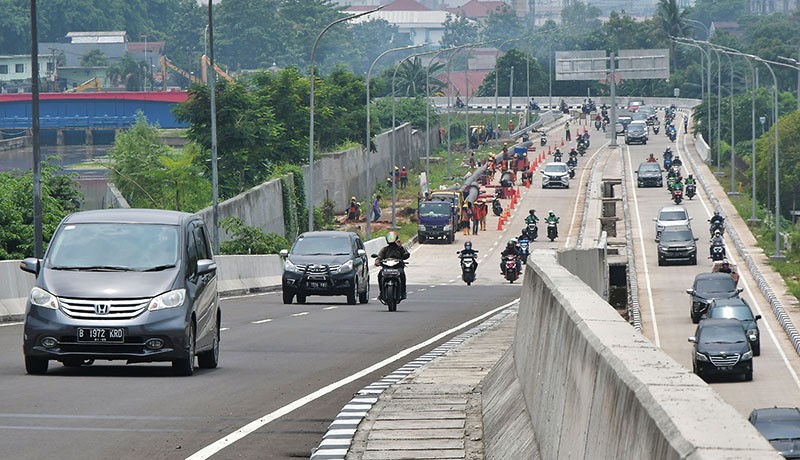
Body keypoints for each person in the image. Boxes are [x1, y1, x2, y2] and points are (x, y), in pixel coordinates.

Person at [375, 231, 410, 299]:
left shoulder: (400, 249)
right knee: (380, 275)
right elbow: (379, 257)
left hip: (397, 268)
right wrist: (377, 262)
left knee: (402, 274)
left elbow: (406, 255)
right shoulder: (385, 249)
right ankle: (382, 292)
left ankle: (403, 292)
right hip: (386, 268)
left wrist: (400, 247)